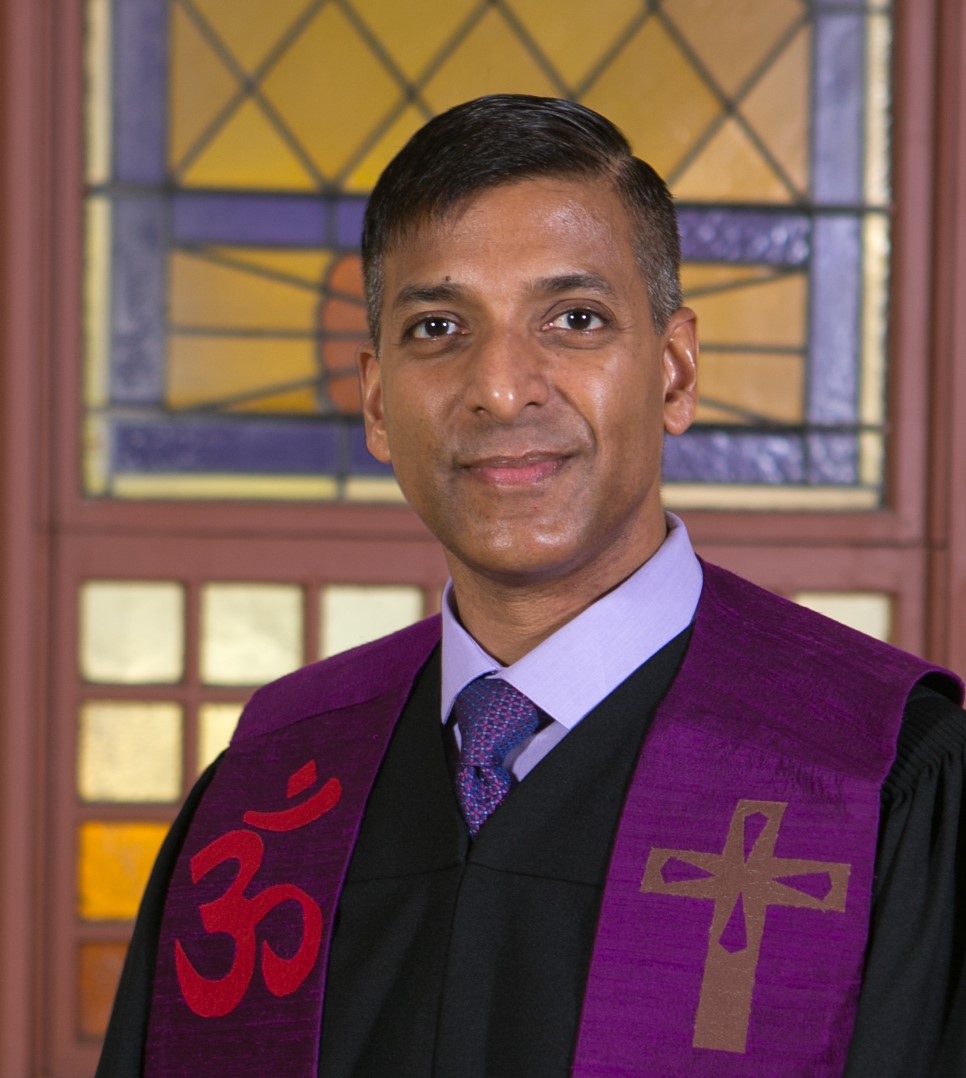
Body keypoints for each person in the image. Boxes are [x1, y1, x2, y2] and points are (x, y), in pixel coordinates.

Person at [97, 95, 965, 1078]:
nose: (502, 387)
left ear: (675, 374)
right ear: (379, 404)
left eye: (575, 319)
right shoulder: (269, 793)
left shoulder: (875, 774)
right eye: (437, 326)